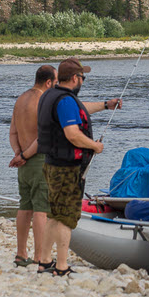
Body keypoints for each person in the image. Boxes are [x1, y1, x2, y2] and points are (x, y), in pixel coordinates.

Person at [36, 57, 122, 275]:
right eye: (82, 77)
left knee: (54, 214)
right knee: (66, 216)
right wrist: (95, 146)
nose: (83, 81)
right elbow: (72, 134)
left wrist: (106, 105)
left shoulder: (51, 95)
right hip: (66, 168)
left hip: (52, 164)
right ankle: (62, 266)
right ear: (75, 78)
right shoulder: (65, 101)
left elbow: (81, 109)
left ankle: (44, 261)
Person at [8, 65, 56, 266]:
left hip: (23, 161)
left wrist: (18, 154)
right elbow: (44, 136)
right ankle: (39, 256)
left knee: (25, 205)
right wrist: (27, 154)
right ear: (48, 82)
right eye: (55, 83)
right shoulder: (44, 101)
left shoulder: (21, 99)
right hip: (38, 159)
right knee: (41, 209)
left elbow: (12, 132)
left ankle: (20, 253)